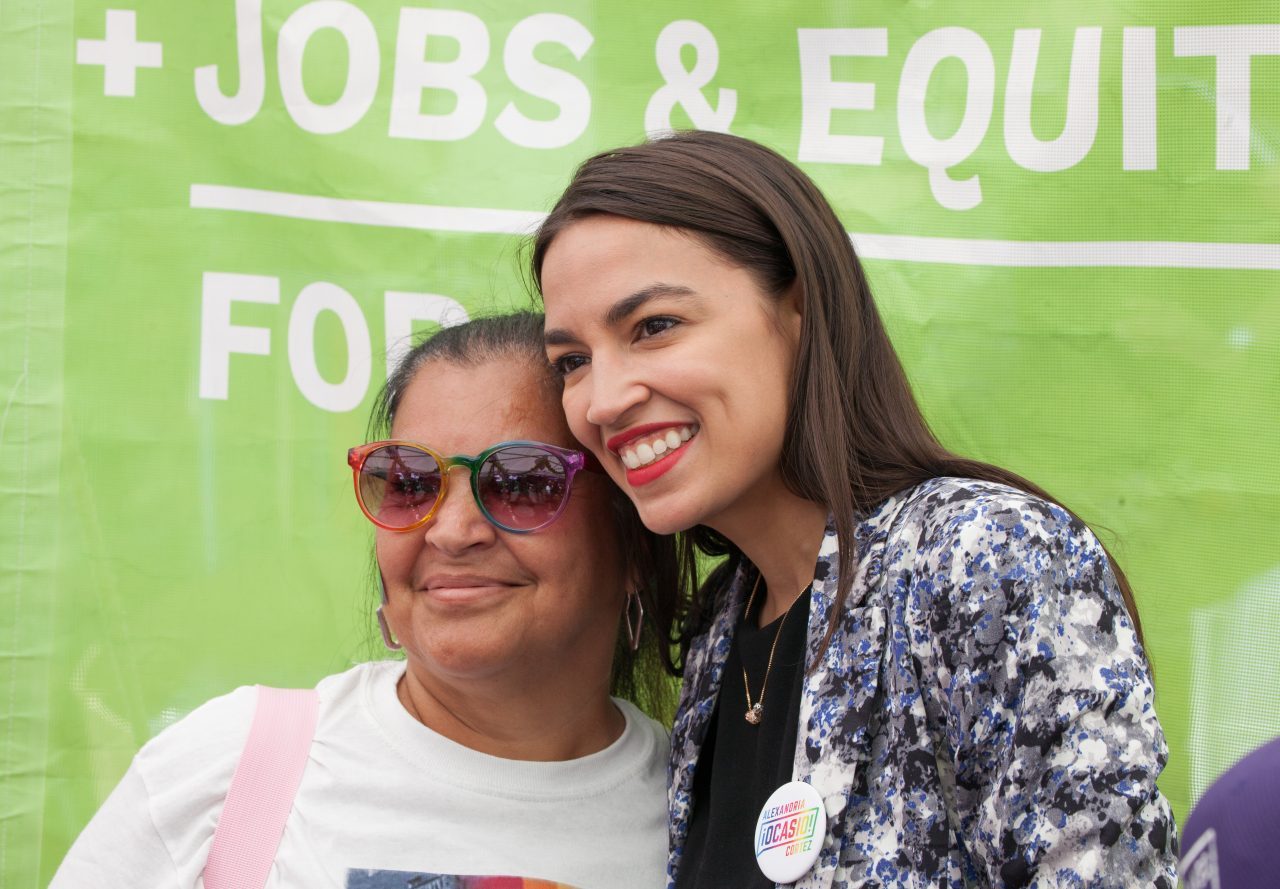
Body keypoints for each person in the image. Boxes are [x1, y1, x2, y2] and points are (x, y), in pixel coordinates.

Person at [534, 131, 1178, 888]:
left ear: (799, 306)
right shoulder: (720, 630)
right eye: (571, 361)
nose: (603, 399)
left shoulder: (983, 554)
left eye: (654, 327)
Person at [51, 312, 677, 889]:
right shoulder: (227, 766)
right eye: (409, 481)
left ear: (635, 540)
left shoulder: (700, 813)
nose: (452, 531)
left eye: (522, 481)